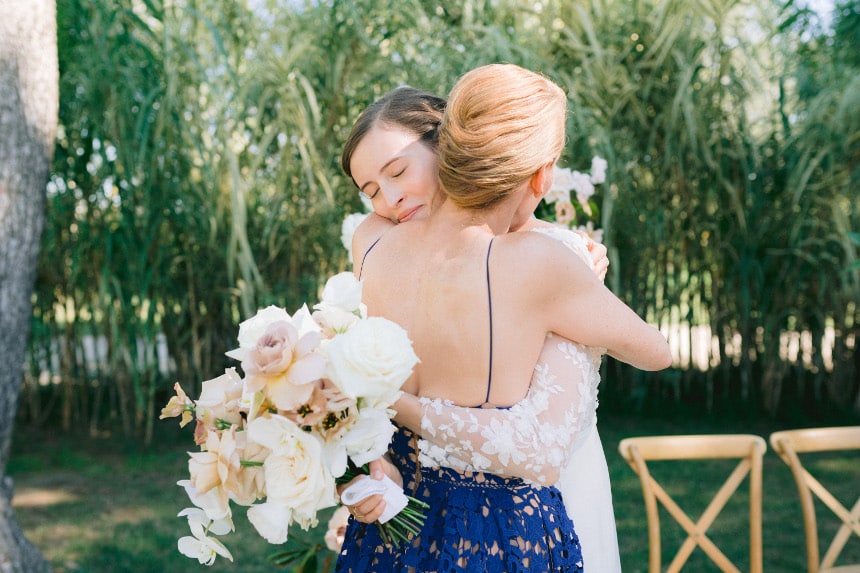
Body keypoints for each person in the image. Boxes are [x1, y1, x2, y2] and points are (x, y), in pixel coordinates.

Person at [334, 63, 671, 572]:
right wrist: (573, 281)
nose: (391, 198)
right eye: (373, 190)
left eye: (399, 172)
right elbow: (655, 352)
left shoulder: (372, 243)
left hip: (397, 529)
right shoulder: (543, 262)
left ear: (449, 146)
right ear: (541, 172)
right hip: (500, 527)